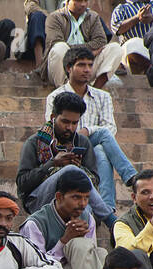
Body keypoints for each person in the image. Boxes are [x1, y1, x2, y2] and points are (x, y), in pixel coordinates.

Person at [47, 47, 136, 215]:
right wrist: (79, 134)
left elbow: (111, 128)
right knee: (102, 139)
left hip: (92, 145)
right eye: (81, 65)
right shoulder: (55, 96)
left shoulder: (103, 96)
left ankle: (107, 206)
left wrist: (87, 130)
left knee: (101, 149)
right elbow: (50, 127)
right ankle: (130, 177)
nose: (87, 70)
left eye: (90, 65)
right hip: (65, 145)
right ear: (69, 68)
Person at [17, 94, 113, 228]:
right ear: (53, 117)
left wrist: (80, 169)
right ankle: (111, 220)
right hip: (39, 201)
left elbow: (95, 180)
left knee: (85, 208)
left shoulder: (82, 142)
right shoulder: (34, 142)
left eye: (74, 123)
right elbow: (22, 184)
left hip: (76, 200)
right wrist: (53, 164)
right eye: (65, 122)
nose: (70, 128)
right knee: (71, 171)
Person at [17, 168, 105, 269]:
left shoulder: (88, 218)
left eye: (86, 198)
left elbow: (88, 257)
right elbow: (35, 268)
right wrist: (64, 240)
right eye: (76, 197)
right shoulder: (35, 224)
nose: (83, 204)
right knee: (79, 245)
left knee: (101, 253)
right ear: (59, 197)